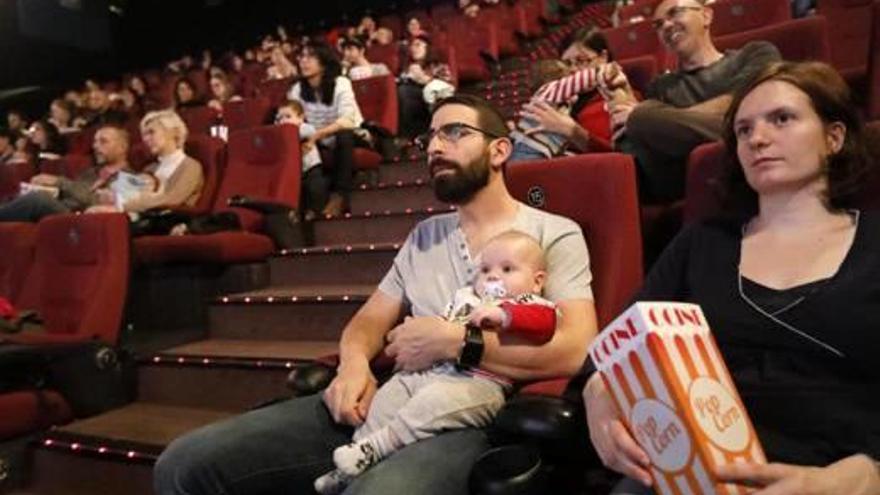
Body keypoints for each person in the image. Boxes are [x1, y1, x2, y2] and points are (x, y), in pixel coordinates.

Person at [153, 94, 596, 495]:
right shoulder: (424, 235)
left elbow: (575, 349)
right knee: (184, 464)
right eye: (431, 136)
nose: (435, 147)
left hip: (468, 414)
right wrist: (353, 366)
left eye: (455, 132)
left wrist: (456, 343)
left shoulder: (552, 231)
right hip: (394, 397)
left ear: (500, 150)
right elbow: (368, 322)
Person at [582, 61, 880, 495]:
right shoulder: (702, 242)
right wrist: (599, 391)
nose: (758, 138)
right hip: (692, 471)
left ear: (833, 137)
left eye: (782, 118)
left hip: (837, 472)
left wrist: (863, 478)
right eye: (743, 130)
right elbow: (615, 346)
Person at [313, 230, 558, 494]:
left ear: (537, 281)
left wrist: (504, 315)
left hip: (480, 382)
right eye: (485, 269)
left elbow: (544, 324)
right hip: (433, 370)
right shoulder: (466, 297)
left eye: (507, 269)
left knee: (433, 402)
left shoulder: (528, 302)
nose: (493, 276)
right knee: (390, 395)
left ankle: (375, 448)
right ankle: (355, 462)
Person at [612, 0, 780, 202]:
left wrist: (654, 119)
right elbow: (654, 162)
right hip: (695, 190)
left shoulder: (755, 54)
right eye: (658, 25)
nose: (665, 26)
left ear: (706, 16)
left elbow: (749, 109)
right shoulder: (661, 87)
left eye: (675, 13)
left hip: (759, 163)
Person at [287, 41, 365, 216]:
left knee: (343, 135)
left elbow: (347, 121)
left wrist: (316, 136)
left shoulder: (341, 83)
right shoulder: (297, 90)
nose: (303, 61)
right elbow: (294, 120)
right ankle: (299, 206)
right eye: (302, 57)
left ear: (324, 61)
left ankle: (339, 196)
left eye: (310, 56)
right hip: (319, 139)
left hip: (352, 135)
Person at [0, 126, 131, 222]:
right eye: (95, 142)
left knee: (39, 199)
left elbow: (96, 201)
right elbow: (74, 192)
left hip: (85, 219)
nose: (96, 146)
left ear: (122, 147)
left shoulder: (131, 178)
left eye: (103, 141)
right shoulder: (92, 172)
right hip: (65, 209)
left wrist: (59, 182)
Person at [85, 110, 203, 215]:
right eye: (144, 135)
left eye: (151, 132)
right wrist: (108, 194)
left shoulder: (190, 166)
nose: (146, 139)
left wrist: (121, 206)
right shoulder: (150, 168)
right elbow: (121, 193)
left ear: (173, 132)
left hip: (167, 223)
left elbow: (170, 200)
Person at [276, 100, 326, 220]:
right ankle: (298, 214)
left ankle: (314, 211)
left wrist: (289, 131)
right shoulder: (281, 134)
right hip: (296, 172)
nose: (284, 121)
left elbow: (310, 132)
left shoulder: (305, 128)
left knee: (314, 188)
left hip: (311, 168)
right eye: (280, 118)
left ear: (301, 118)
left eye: (288, 116)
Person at [398, 35, 456, 138]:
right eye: (412, 46)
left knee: (404, 92)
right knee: (402, 91)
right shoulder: (408, 68)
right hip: (411, 101)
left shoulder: (437, 66)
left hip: (430, 100)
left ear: (427, 48)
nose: (413, 48)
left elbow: (448, 86)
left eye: (418, 45)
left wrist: (424, 78)